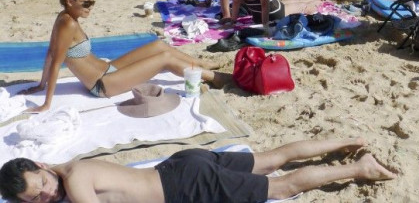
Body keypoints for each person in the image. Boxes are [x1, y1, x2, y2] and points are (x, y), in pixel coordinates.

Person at [17, 0, 227, 112]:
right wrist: (46, 101)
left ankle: (201, 64)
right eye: (86, 3)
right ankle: (215, 77)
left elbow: (49, 54)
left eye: (93, 3)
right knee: (164, 60)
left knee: (158, 46)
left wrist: (40, 84)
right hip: (103, 85)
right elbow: (55, 60)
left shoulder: (67, 18)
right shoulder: (67, 24)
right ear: (70, 2)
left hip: (108, 69)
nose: (91, 7)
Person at [0, 137, 396, 203]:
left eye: (43, 185)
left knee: (281, 187)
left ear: (41, 166)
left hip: (187, 186)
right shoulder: (69, 168)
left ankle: (359, 166)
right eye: (35, 199)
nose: (48, 195)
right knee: (273, 156)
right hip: (181, 165)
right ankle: (346, 140)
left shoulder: (77, 178)